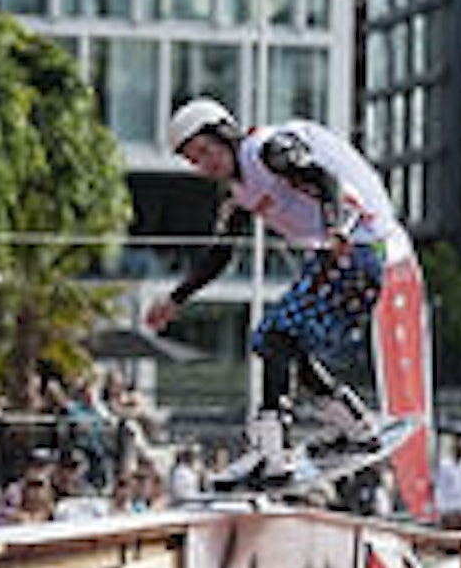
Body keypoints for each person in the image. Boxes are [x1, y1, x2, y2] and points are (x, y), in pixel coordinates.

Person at [146, 98, 421, 484]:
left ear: (225, 134)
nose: (206, 165)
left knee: (274, 337)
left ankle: (273, 453)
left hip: (360, 249)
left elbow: (325, 179)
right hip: (341, 256)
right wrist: (176, 299)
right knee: (284, 346)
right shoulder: (239, 193)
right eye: (195, 161)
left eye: (206, 151)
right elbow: (221, 254)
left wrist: (334, 227)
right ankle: (356, 429)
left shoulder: (269, 150)